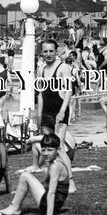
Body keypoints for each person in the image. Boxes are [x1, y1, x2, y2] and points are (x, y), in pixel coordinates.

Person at [0, 133, 70, 215]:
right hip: (56, 204)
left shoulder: (55, 166)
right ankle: (14, 207)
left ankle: (14, 208)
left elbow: (52, 192)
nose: (46, 153)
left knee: (25, 176)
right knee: (26, 178)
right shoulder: (56, 161)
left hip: (50, 206)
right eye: (43, 150)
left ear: (58, 149)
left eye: (49, 150)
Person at [36, 39, 76, 193]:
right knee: (48, 148)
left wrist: (62, 111)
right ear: (41, 52)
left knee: (59, 148)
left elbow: (68, 91)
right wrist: (39, 113)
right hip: (46, 111)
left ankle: (71, 182)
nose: (48, 54)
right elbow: (40, 93)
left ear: (56, 51)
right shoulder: (41, 70)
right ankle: (51, 179)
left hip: (59, 110)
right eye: (45, 51)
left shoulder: (63, 68)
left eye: (51, 51)